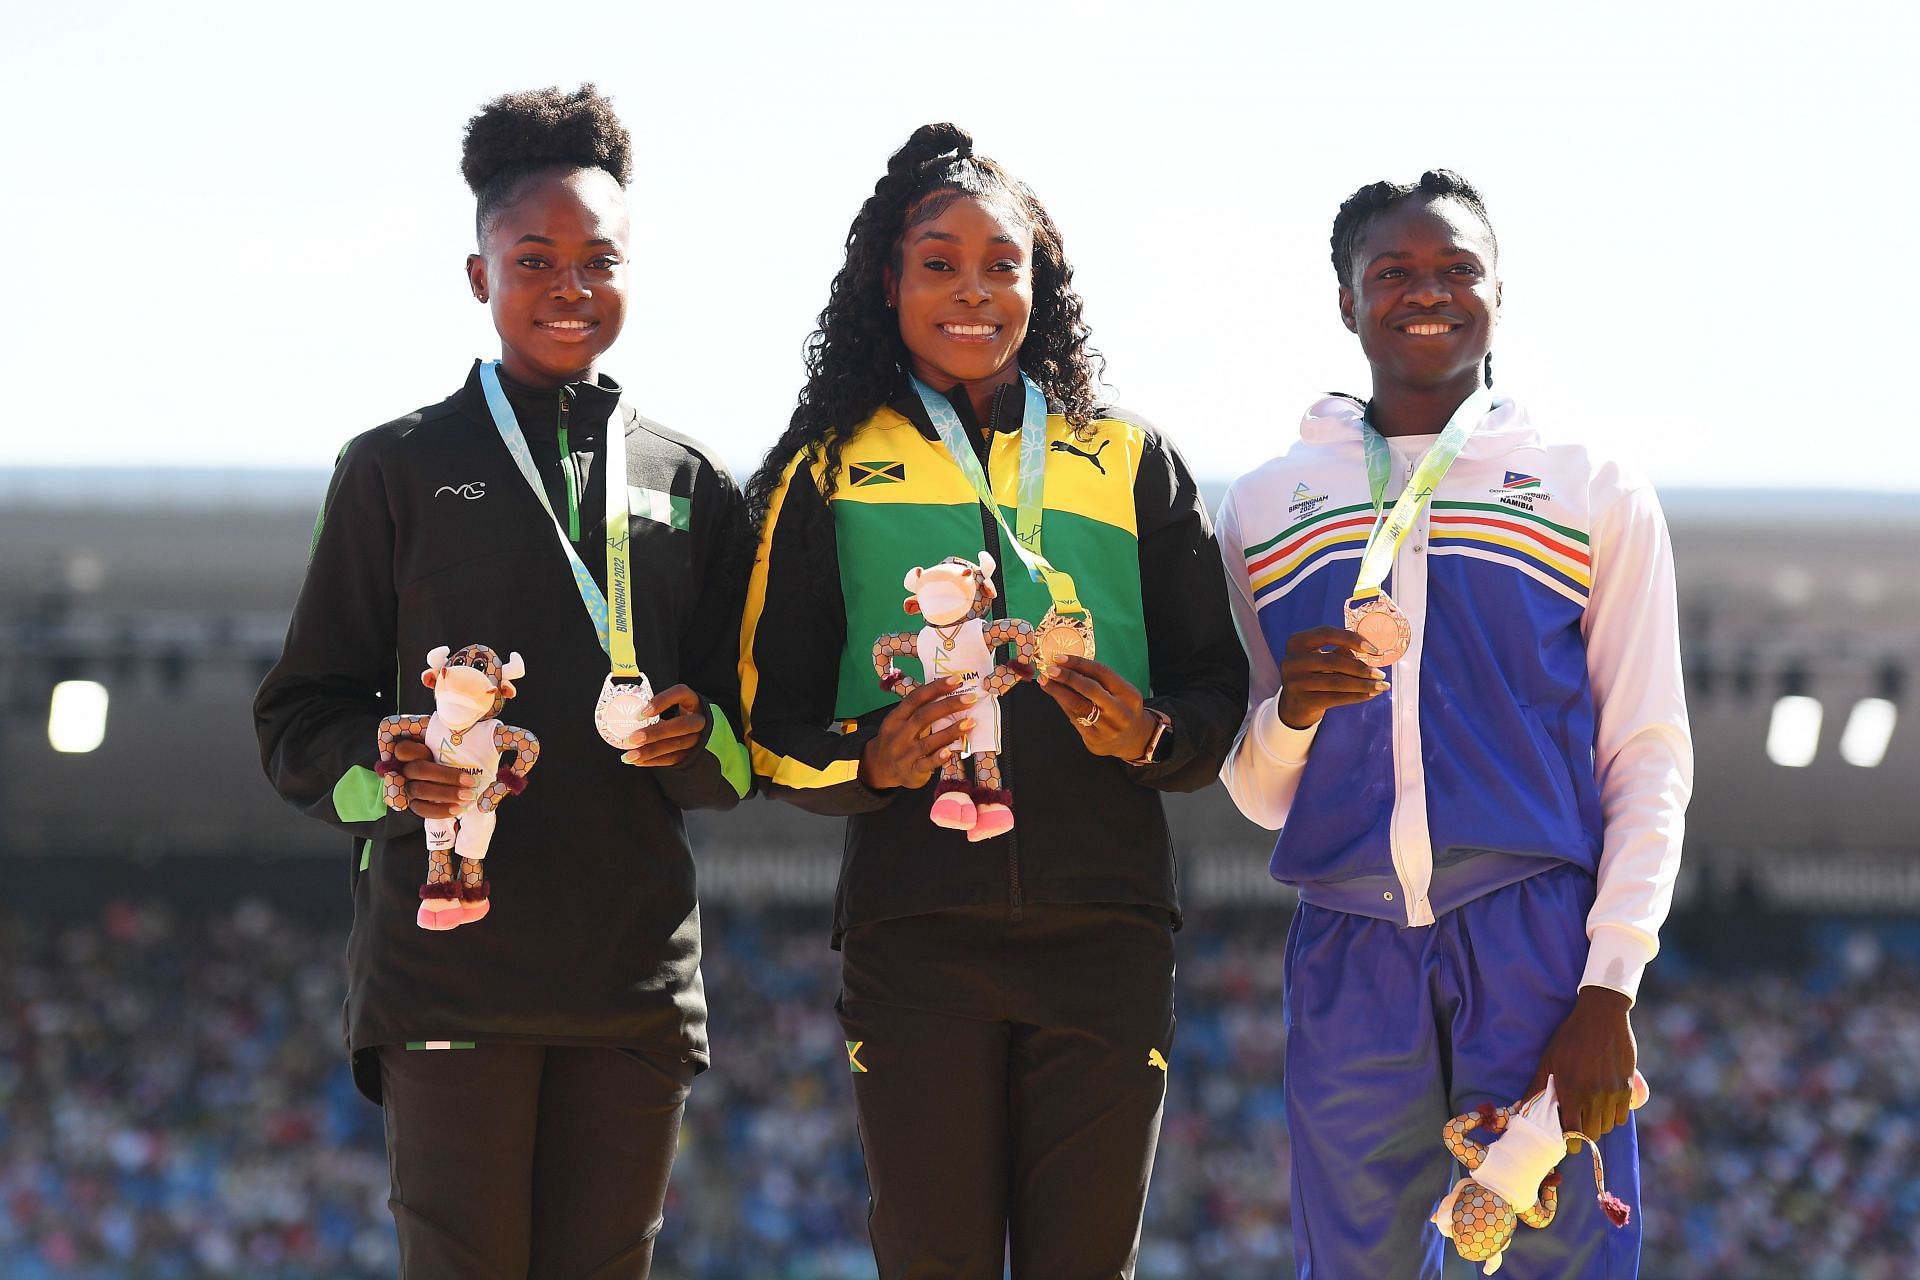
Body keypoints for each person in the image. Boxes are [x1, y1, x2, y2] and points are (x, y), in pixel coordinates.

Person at [253, 84, 749, 1279]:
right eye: (535, 258)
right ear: (480, 276)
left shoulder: (693, 484)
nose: (570, 284)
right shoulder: (395, 468)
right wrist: (388, 765)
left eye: (599, 258)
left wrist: (701, 737)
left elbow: (748, 752)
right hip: (447, 967)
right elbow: (298, 716)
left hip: (630, 974)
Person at [738, 123, 1249, 1278]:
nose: (973, 290)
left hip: (1106, 935)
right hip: (915, 939)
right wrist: (872, 760)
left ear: (1039, 283)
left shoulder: (1129, 459)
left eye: (1002, 264)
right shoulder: (823, 466)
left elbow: (1216, 693)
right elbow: (767, 730)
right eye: (939, 262)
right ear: (888, 279)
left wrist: (1155, 733)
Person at [1216, 169, 1692, 1277]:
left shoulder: (1589, 484)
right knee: (1352, 1267)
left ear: (1497, 292)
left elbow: (1648, 752)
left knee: (1553, 1260)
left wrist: (1607, 983)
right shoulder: (1264, 502)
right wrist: (1293, 711)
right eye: (1393, 272)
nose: (1425, 292)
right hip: (1346, 943)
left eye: (1456, 270)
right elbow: (1253, 784)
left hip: (1534, 934)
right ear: (1346, 301)